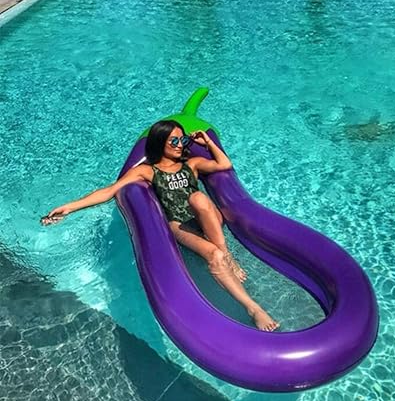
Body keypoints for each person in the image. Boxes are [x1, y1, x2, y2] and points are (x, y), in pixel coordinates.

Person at [43, 120, 279, 332]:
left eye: (182, 140)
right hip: (180, 225)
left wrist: (207, 142)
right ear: (160, 142)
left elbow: (224, 164)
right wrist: (70, 207)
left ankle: (227, 255)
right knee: (213, 255)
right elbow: (110, 191)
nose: (179, 145)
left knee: (198, 198)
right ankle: (253, 308)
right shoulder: (148, 171)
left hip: (206, 217)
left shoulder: (193, 164)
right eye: (174, 141)